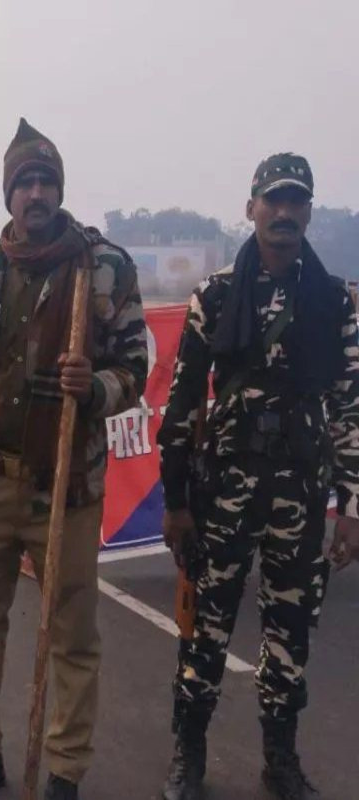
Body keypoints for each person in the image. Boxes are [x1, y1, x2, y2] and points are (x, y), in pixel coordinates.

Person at [0, 119, 147, 800]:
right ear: (8, 195)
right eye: (25, 181)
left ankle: (63, 770)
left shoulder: (102, 268)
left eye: (46, 180)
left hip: (65, 486)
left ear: (60, 190)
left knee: (71, 634)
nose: (36, 192)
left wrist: (98, 387)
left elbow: (137, 365)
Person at [157, 153, 359, 800]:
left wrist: (352, 507)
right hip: (224, 494)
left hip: (300, 495)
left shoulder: (334, 301)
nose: (284, 212)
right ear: (251, 209)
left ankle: (281, 758)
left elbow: (351, 409)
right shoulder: (216, 296)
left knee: (290, 632)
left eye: (296, 201)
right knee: (206, 630)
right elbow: (182, 406)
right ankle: (188, 757)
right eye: (272, 200)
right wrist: (177, 501)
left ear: (308, 212)